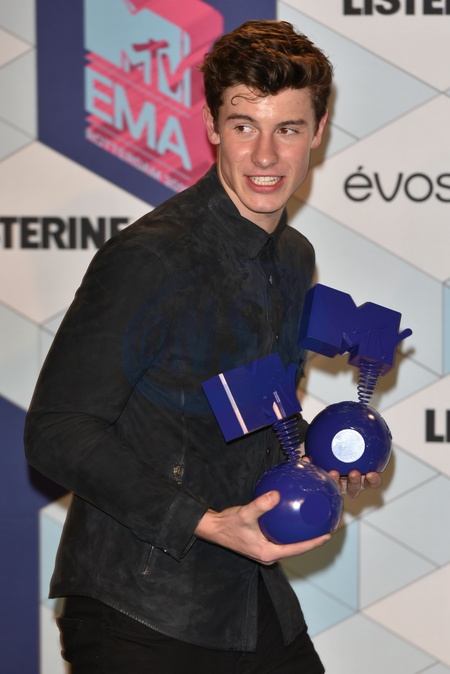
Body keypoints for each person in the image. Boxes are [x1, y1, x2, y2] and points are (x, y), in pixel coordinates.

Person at [24, 19, 381, 674]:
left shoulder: (293, 257)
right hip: (140, 607)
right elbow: (57, 430)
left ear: (319, 131)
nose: (266, 155)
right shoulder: (150, 258)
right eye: (245, 126)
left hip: (243, 595)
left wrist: (317, 457)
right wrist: (207, 521)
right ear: (213, 126)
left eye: (288, 129)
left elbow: (249, 409)